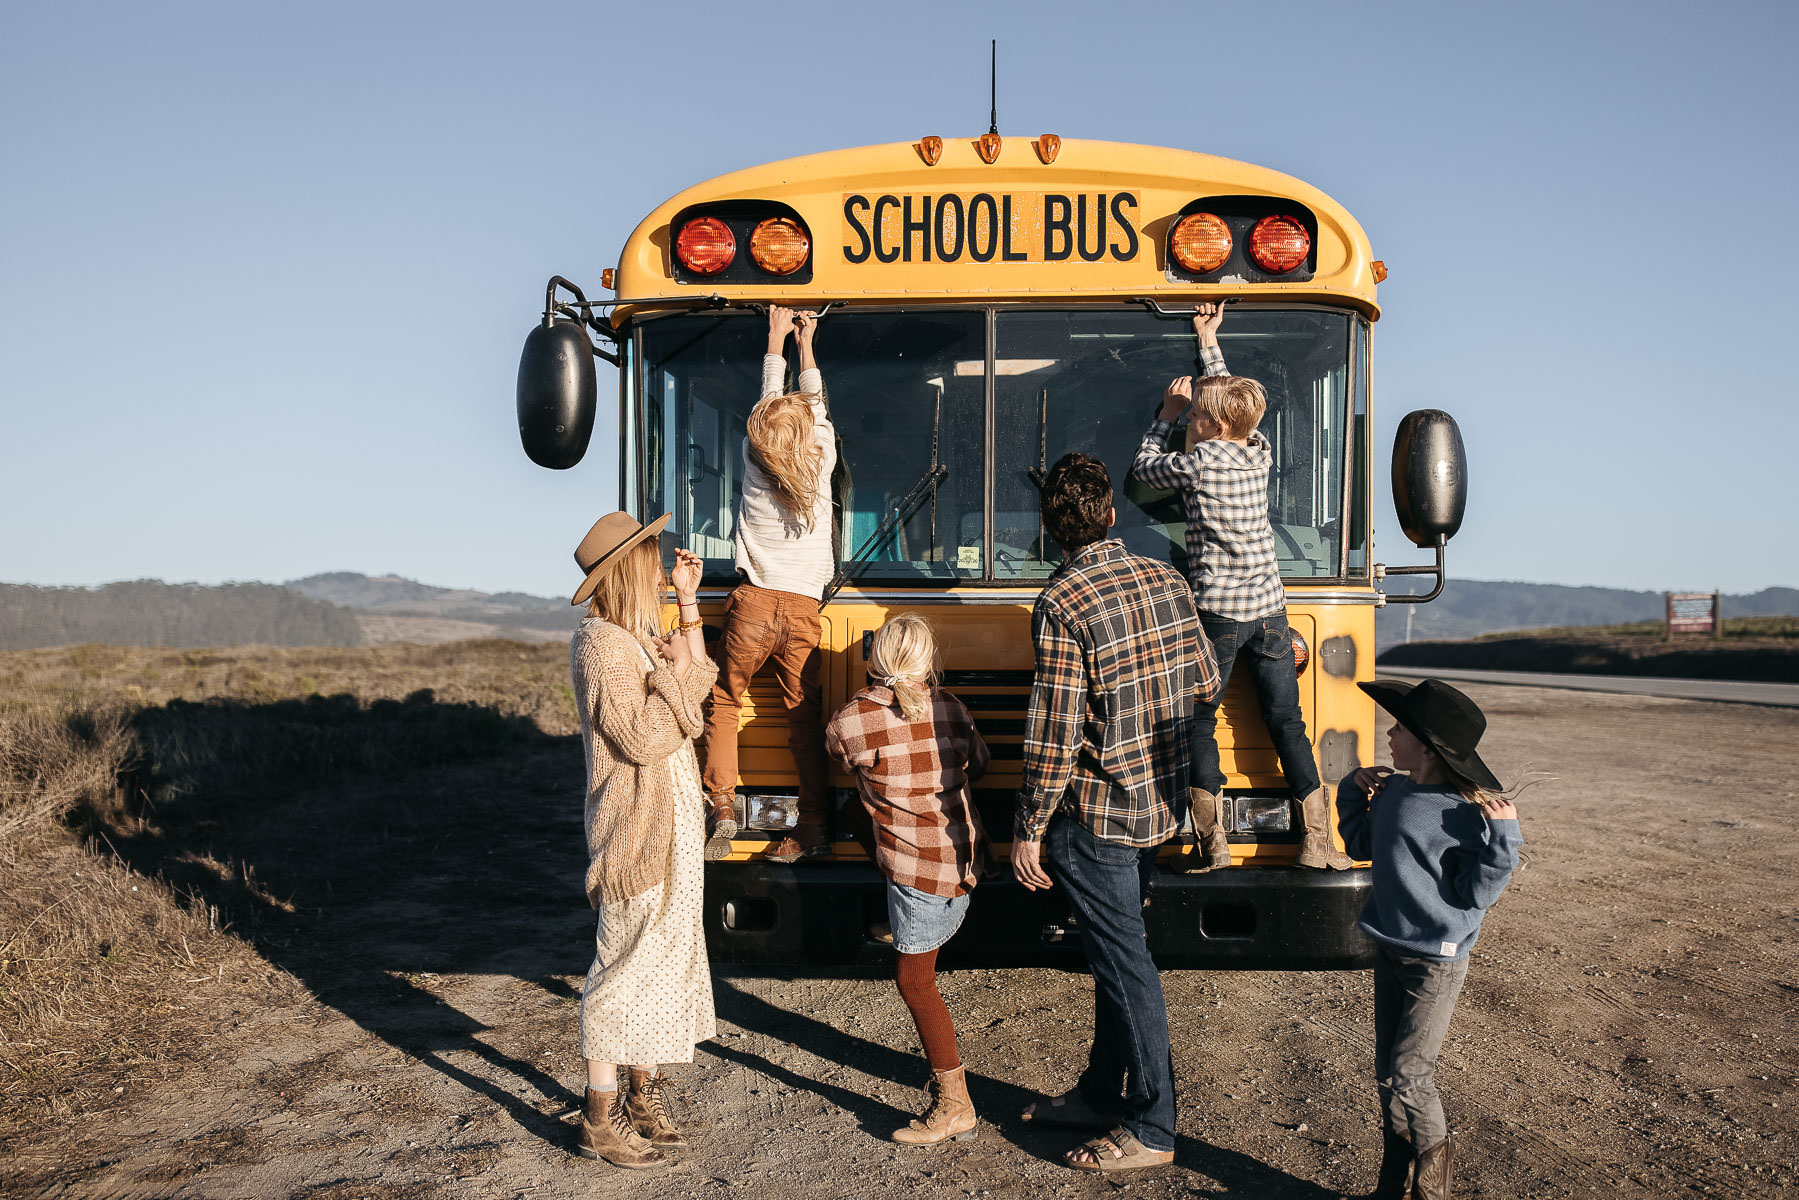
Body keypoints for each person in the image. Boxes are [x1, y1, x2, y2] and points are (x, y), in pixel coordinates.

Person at [1012, 452, 1220, 1173]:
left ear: (1050, 527)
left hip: (1098, 814)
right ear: (1109, 514)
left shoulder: (1061, 602)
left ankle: (1153, 1128)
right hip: (1157, 802)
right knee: (1116, 956)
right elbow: (1205, 681)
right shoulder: (1167, 579)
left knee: (1126, 967)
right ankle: (1102, 1092)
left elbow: (1054, 730)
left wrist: (1029, 829)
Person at [1129, 301, 1352, 874]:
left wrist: (1164, 416)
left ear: (1213, 426)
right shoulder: (1259, 452)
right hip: (1270, 610)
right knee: (1287, 721)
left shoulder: (1196, 462)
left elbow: (1143, 469)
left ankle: (1214, 845)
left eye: (1197, 415)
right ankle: (1317, 841)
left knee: (1198, 719)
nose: (1192, 418)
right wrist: (1209, 342)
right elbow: (1229, 403)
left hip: (1218, 613)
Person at [567, 511, 718, 1169]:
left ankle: (640, 1097)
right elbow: (640, 737)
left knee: (662, 963)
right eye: (650, 554)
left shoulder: (635, 636)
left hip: (673, 823)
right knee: (623, 965)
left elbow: (698, 672)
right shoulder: (601, 644)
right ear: (625, 567)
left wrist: (687, 604)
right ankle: (598, 1118)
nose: (660, 564)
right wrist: (676, 679)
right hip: (635, 829)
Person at [1337, 678, 1522, 1200]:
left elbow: (1478, 894)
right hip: (1391, 949)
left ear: (1426, 747)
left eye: (1398, 728)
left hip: (1436, 962)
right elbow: (1359, 844)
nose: (1389, 735)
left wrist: (1503, 837)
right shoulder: (1395, 792)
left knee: (1410, 1074)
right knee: (1387, 1075)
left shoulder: (1463, 812)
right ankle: (1391, 1188)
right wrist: (1351, 790)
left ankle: (1432, 1191)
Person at [824, 614, 991, 1145]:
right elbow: (980, 764)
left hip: (918, 872)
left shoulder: (853, 720)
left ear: (876, 659)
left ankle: (956, 1104)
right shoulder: (953, 708)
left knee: (915, 982)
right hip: (962, 857)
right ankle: (902, 920)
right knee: (857, 811)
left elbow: (840, 757)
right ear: (928, 661)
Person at [702, 306, 837, 863]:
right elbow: (815, 407)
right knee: (804, 717)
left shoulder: (756, 463)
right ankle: (814, 825)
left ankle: (722, 806)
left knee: (724, 699)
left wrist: (774, 338)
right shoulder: (822, 463)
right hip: (805, 609)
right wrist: (807, 343)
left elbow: (767, 409)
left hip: (754, 605)